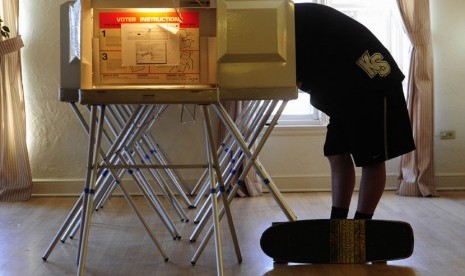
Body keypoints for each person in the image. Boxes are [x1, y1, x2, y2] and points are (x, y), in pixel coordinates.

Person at [294, 3, 416, 220]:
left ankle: (362, 225)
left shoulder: (292, 21)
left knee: (372, 159)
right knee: (336, 152)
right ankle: (338, 221)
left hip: (374, 85)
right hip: (347, 90)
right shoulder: (295, 19)